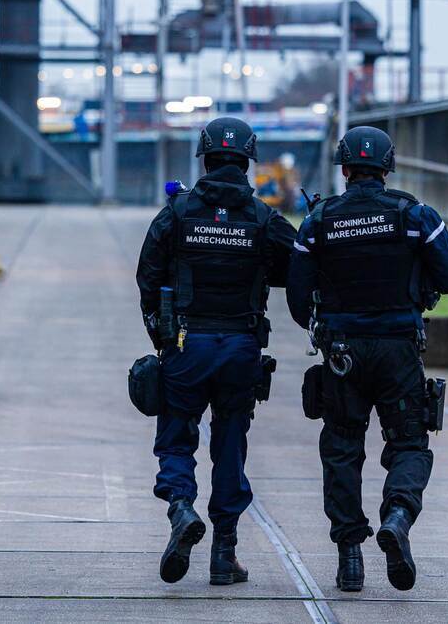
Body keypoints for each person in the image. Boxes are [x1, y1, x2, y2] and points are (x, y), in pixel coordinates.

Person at [286, 125, 448, 593]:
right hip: (399, 350)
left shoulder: (319, 221)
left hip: (342, 353)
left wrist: (324, 325)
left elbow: (298, 297)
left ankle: (350, 559)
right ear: (387, 168)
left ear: (344, 169)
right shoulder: (415, 215)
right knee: (409, 444)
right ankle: (398, 515)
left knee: (342, 448)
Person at [136, 116, 296, 585]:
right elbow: (298, 267)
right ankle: (224, 555)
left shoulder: (177, 212)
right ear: (248, 161)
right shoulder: (264, 218)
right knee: (230, 447)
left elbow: (148, 276)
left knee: (177, 438)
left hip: (187, 343)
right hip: (241, 346)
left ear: (204, 158)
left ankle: (181, 508)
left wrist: (161, 336)